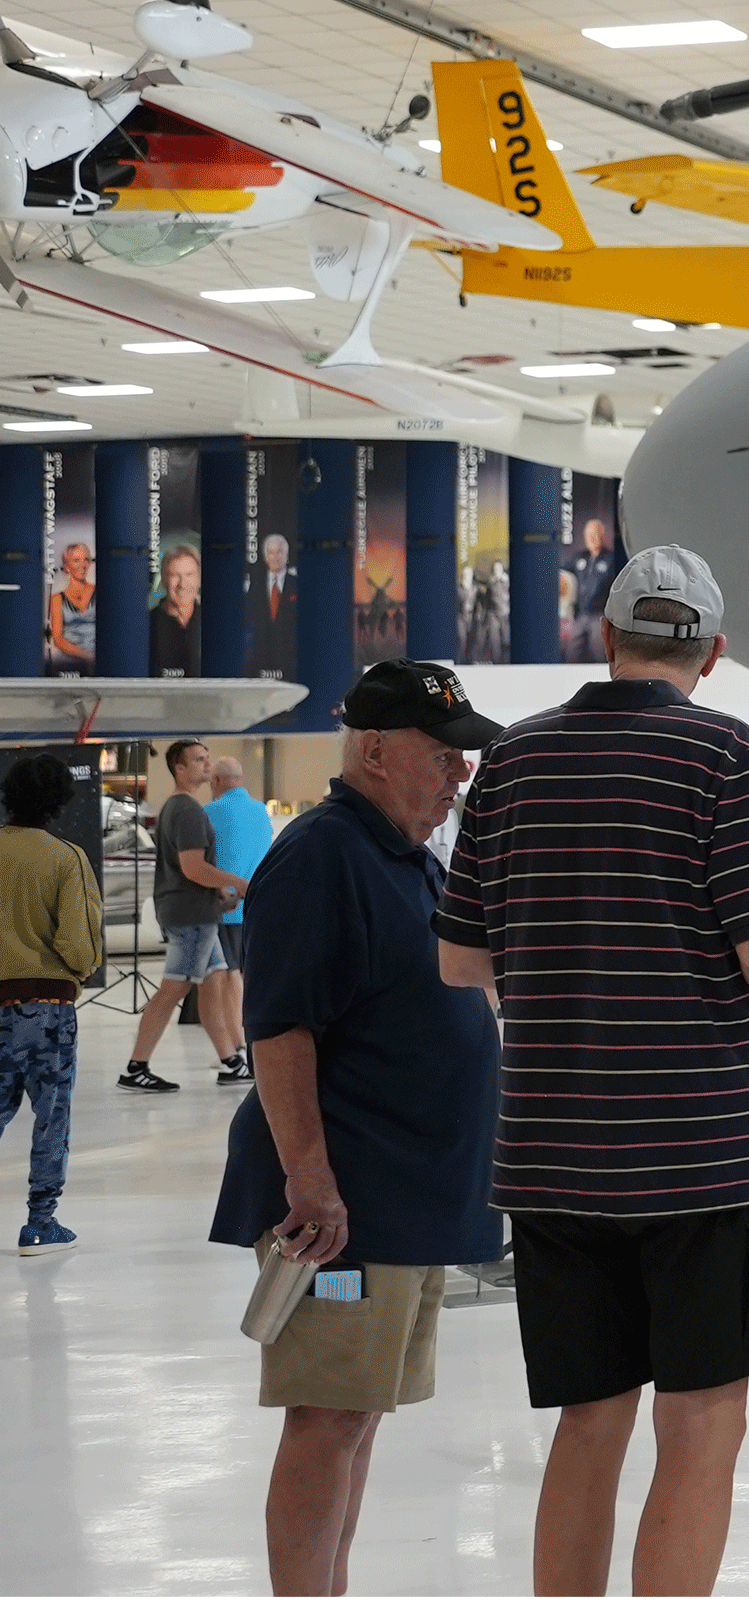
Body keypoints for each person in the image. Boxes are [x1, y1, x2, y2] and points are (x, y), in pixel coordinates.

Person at [434, 544, 749, 1598]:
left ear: (605, 639)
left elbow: (459, 958)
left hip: (553, 1154)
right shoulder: (725, 753)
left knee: (588, 1418)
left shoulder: (511, 760)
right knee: (701, 1419)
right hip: (707, 1159)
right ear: (715, 652)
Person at [208, 660, 505, 1598]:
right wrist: (312, 1179)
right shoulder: (323, 855)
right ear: (376, 750)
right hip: (346, 1206)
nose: (460, 772)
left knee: (361, 1412)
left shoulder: (409, 856)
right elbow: (280, 1028)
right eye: (443, 753)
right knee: (327, 1416)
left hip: (405, 1199)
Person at [0, 754, 104, 1255]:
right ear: (61, 801)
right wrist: (75, 973)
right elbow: (79, 946)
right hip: (46, 1008)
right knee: (50, 1114)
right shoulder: (66, 858)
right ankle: (40, 1223)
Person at [120, 740, 250, 1092]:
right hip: (191, 914)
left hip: (195, 911)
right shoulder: (188, 810)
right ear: (179, 768)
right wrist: (234, 881)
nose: (206, 766)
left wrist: (219, 889)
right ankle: (136, 1066)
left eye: (208, 759)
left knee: (214, 981)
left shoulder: (184, 807)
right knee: (173, 989)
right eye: (198, 760)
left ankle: (231, 1061)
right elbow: (192, 868)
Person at [205, 756, 275, 1067]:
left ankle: (240, 1044)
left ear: (216, 781)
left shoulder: (208, 812)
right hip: (259, 904)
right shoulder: (260, 810)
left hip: (226, 908)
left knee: (230, 976)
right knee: (251, 974)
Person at [563, 517, 615, 661]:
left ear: (603, 536)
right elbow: (561, 569)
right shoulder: (580, 558)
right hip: (581, 615)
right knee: (571, 653)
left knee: (599, 653)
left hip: (600, 615)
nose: (591, 538)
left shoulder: (612, 559)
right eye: (588, 535)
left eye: (595, 534)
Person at [149, 544, 203, 678]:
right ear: (164, 580)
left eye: (189, 575)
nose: (182, 584)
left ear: (199, 579)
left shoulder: (215, 623)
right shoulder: (147, 625)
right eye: (175, 575)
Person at [248, 533, 297, 678]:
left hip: (290, 661)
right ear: (265, 557)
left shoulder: (297, 583)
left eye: (279, 552)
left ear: (287, 556)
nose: (275, 557)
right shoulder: (256, 584)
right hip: (259, 660)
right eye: (271, 552)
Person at [47, 542, 95, 674]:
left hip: (102, 657)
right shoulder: (57, 599)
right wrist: (87, 656)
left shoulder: (101, 591)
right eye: (76, 560)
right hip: (69, 660)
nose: (82, 565)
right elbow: (57, 638)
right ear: (66, 566)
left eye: (86, 559)